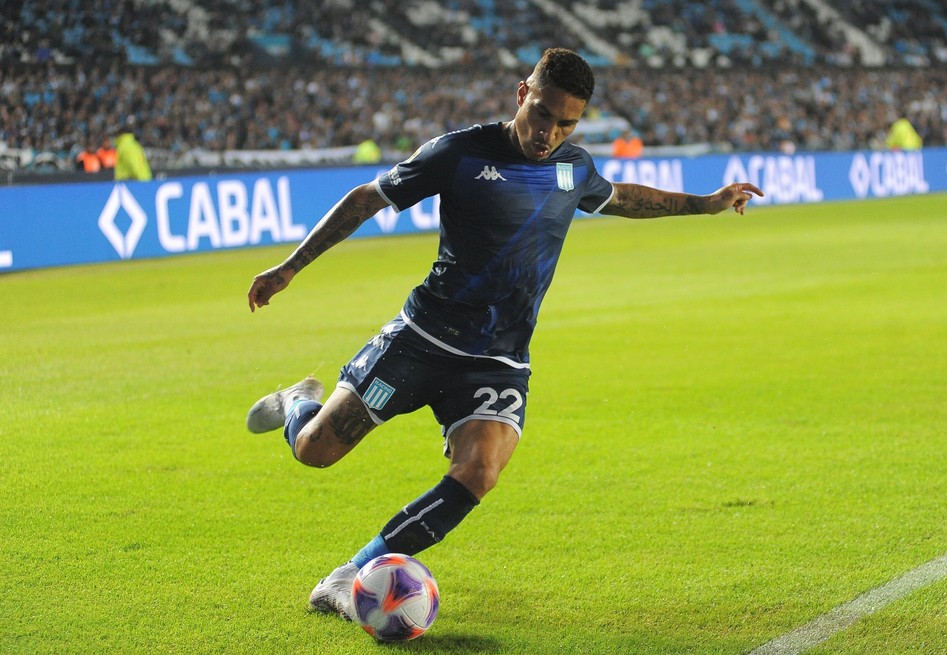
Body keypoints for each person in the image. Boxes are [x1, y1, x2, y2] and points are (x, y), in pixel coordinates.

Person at [245, 48, 763, 621]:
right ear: (522, 94)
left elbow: (625, 199)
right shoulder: (459, 152)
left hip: (497, 360)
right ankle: (298, 401)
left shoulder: (574, 168)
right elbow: (369, 198)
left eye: (567, 122)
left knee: (480, 471)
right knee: (315, 450)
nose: (550, 133)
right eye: (543, 114)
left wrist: (706, 203)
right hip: (421, 340)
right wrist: (290, 266)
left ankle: (353, 571)